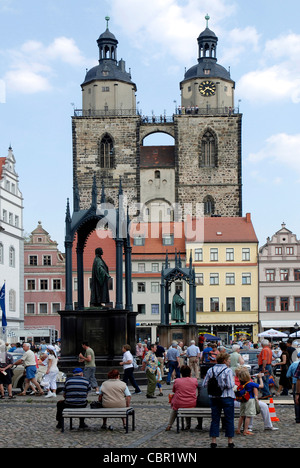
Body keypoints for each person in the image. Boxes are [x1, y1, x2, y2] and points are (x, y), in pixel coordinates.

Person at [203, 353, 235, 449]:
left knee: (215, 419)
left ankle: (213, 441)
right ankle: (230, 441)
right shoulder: (228, 370)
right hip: (226, 396)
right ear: (224, 361)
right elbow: (230, 385)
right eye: (228, 360)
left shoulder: (211, 370)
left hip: (214, 397)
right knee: (229, 419)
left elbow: (205, 384)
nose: (229, 361)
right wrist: (222, 385)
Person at [165, 365, 198, 431]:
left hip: (179, 403)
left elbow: (174, 391)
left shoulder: (177, 381)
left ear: (181, 373)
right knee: (188, 405)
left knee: (174, 409)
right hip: (191, 403)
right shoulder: (194, 380)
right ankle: (188, 425)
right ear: (190, 373)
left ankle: (169, 425)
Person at [235, 367, 264, 435]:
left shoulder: (241, 384)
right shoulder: (250, 383)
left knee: (242, 415)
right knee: (248, 416)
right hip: (250, 400)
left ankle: (238, 429)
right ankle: (246, 430)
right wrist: (260, 378)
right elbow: (261, 386)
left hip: (243, 400)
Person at [287, 352, 300, 424]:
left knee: (297, 402)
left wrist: (297, 393)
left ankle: (298, 418)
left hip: (296, 384)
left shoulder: (294, 364)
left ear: (297, 357)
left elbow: (288, 375)